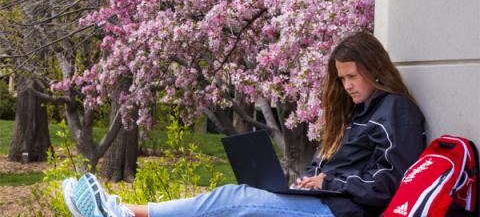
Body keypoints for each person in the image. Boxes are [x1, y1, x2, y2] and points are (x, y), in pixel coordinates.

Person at [62, 31, 426, 217]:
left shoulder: (396, 110)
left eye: (352, 76)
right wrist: (310, 179)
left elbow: (394, 184)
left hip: (338, 212)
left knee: (232, 199)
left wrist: (330, 181)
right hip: (320, 203)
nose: (346, 86)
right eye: (341, 79)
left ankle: (122, 212)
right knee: (233, 204)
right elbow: (333, 169)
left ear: (374, 67)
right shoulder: (355, 114)